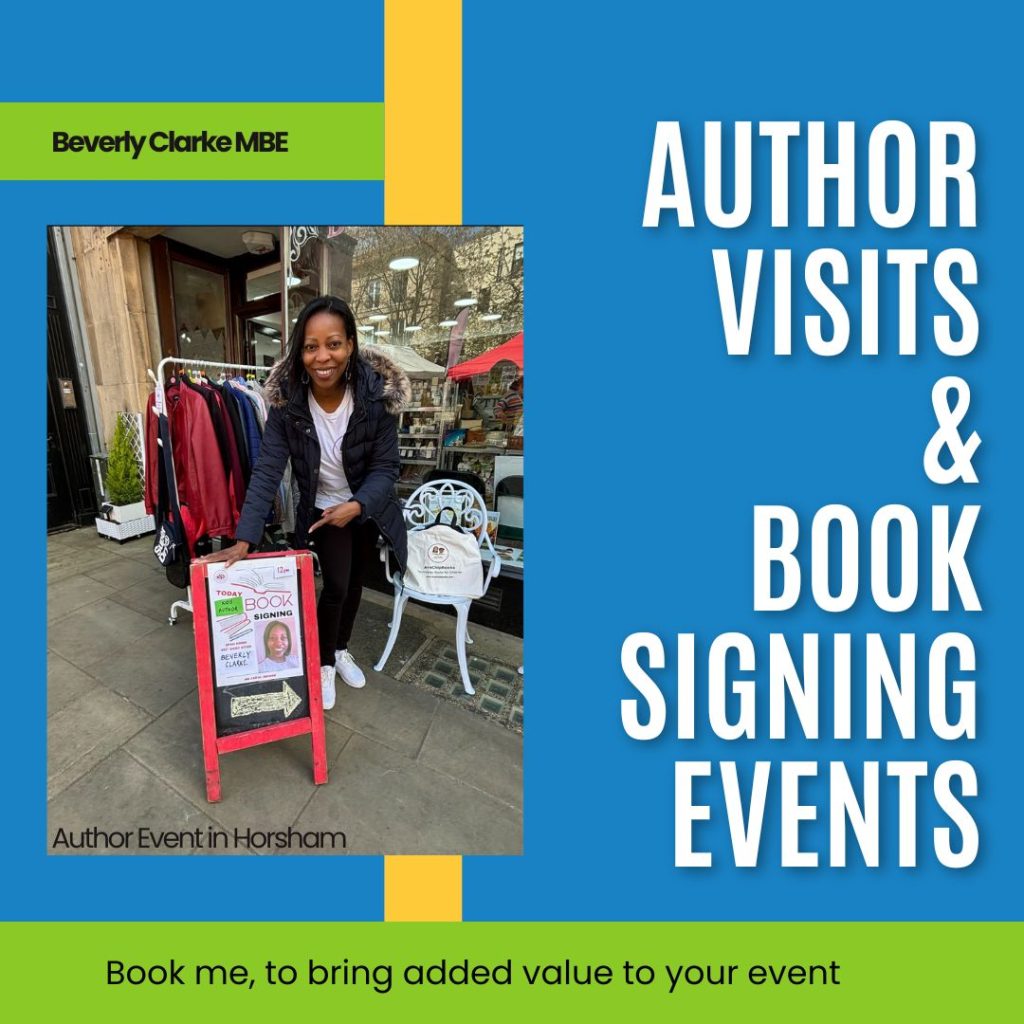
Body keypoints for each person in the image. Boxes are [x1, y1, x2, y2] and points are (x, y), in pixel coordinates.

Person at [200, 295, 410, 710]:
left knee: (354, 585)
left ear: (350, 344)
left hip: (368, 508)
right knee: (334, 585)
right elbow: (267, 470)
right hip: (322, 511)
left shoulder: (375, 398)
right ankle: (324, 661)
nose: (322, 357)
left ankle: (342, 647)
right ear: (300, 351)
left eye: (333, 343)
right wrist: (245, 538)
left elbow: (387, 467)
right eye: (310, 346)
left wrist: (358, 506)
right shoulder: (287, 404)